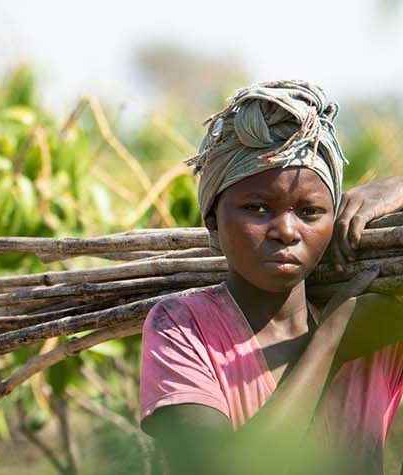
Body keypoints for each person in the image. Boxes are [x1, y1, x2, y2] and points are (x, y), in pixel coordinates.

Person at [138, 80, 403, 475]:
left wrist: (396, 186)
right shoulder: (183, 327)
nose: (286, 230)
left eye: (309, 212)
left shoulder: (383, 322)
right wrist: (330, 342)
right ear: (212, 221)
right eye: (258, 208)